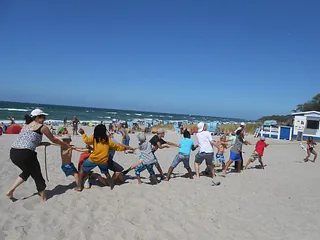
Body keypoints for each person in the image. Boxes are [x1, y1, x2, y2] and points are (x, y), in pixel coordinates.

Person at [6, 109, 69, 202]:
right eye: (43, 117)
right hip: (26, 154)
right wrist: (65, 145)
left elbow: (30, 141)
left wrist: (43, 143)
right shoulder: (42, 127)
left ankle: (11, 190)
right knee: (37, 175)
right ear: (37, 117)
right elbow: (54, 140)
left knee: (27, 171)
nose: (44, 119)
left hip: (14, 153)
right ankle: (44, 198)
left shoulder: (25, 126)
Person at [74, 124, 134, 191]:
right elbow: (116, 147)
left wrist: (83, 134)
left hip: (94, 159)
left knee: (82, 168)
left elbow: (87, 141)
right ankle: (111, 185)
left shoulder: (94, 137)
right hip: (103, 160)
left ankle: (79, 187)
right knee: (106, 173)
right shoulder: (107, 139)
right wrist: (124, 148)